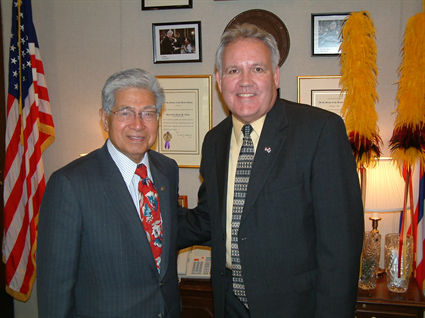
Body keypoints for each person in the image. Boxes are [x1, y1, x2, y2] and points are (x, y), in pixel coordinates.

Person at [177, 23, 364, 318]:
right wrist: (147, 222)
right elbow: (210, 218)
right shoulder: (214, 141)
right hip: (229, 305)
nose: (245, 81)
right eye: (234, 70)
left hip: (296, 308)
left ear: (276, 76)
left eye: (258, 69)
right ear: (219, 79)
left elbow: (341, 246)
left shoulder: (319, 131)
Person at [37, 68, 182, 318]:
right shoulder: (69, 185)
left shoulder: (167, 169)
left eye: (148, 113)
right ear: (105, 119)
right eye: (125, 112)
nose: (138, 124)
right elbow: (55, 290)